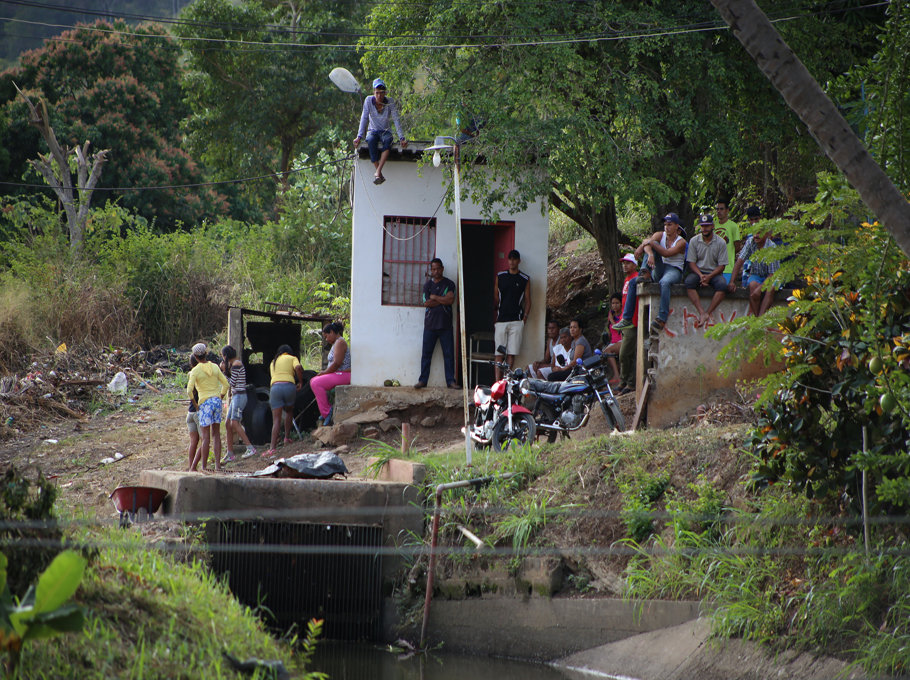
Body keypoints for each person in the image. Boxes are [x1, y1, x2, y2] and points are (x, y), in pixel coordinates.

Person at [614, 213, 687, 335]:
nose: (666, 227)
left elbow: (666, 253)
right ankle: (626, 318)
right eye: (665, 225)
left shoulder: (681, 242)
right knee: (633, 282)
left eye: (670, 225)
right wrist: (650, 253)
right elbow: (647, 244)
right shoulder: (660, 235)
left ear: (676, 227)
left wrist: (648, 243)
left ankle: (662, 318)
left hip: (674, 270)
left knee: (665, 282)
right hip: (660, 268)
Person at [353, 78, 408, 185]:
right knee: (371, 141)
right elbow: (364, 118)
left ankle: (378, 171)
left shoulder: (390, 102)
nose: (379, 96)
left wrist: (402, 137)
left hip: (385, 131)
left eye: (382, 93)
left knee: (388, 140)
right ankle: (379, 173)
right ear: (374, 92)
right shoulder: (369, 101)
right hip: (373, 131)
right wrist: (359, 136)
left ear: (385, 93)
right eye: (377, 93)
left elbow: (396, 119)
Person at [414, 259, 458, 389]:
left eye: (438, 269)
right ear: (431, 270)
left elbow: (451, 300)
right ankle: (423, 381)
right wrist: (443, 300)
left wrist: (435, 298)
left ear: (442, 268)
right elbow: (426, 303)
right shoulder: (427, 285)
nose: (436, 271)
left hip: (446, 326)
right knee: (426, 355)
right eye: (433, 269)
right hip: (430, 326)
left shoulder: (450, 284)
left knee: (449, 355)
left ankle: (451, 382)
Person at [186, 343, 229, 472]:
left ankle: (204, 467)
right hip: (216, 401)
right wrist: (219, 397)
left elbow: (189, 391)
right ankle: (217, 465)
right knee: (216, 435)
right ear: (206, 353)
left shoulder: (195, 370)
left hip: (204, 403)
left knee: (205, 437)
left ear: (195, 356)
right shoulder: (215, 367)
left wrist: (195, 404)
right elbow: (226, 384)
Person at [684, 213, 729, 328]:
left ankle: (707, 313)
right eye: (703, 226)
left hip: (714, 273)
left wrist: (709, 277)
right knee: (688, 283)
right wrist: (700, 275)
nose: (704, 229)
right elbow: (691, 263)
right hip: (698, 272)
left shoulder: (721, 242)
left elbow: (722, 265)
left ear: (713, 226)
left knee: (723, 286)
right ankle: (701, 312)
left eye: (707, 226)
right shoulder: (694, 241)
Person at [493, 249, 531, 380]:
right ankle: (497, 383)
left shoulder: (524, 279)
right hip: (501, 320)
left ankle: (506, 382)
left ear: (519, 261)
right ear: (507, 260)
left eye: (514, 259)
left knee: (511, 353)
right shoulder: (500, 276)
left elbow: (528, 301)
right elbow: (495, 296)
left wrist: (523, 320)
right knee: (499, 354)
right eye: (510, 259)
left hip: (516, 320)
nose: (512, 261)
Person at [729, 226, 781, 318]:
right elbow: (739, 261)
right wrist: (732, 282)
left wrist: (760, 288)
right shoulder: (750, 242)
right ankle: (757, 319)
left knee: (771, 288)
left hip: (771, 276)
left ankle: (760, 319)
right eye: (754, 233)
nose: (756, 236)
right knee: (752, 285)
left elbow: (772, 274)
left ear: (766, 234)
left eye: (759, 233)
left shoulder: (772, 248)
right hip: (756, 274)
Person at [220, 345, 258, 462]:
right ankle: (230, 453)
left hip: (240, 397)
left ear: (226, 356)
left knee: (234, 423)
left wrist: (223, 372)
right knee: (228, 423)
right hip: (236, 396)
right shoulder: (234, 364)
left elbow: (232, 383)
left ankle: (250, 448)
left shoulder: (236, 364)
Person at [310, 322, 351, 427]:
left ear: (332, 332)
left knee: (316, 383)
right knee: (314, 381)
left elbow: (337, 363)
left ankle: (327, 411)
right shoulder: (336, 343)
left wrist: (325, 372)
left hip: (343, 374)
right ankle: (326, 410)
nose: (326, 339)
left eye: (326, 336)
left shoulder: (340, 342)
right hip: (339, 373)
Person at [267, 344, 304, 457]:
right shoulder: (292, 358)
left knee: (276, 420)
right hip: (289, 386)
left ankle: (272, 448)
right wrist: (301, 382)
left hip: (276, 388)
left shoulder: (273, 361)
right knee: (289, 411)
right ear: (289, 352)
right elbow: (298, 367)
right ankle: (286, 438)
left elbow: (274, 377)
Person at [616, 254, 639, 395]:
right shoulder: (627, 279)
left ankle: (628, 382)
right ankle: (626, 383)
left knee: (624, 354)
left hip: (632, 323)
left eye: (628, 263)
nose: (625, 265)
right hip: (625, 323)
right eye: (624, 263)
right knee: (628, 355)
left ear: (635, 265)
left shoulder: (636, 279)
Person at [714, 200, 742, 284]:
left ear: (727, 210)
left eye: (721, 209)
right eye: (717, 209)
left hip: (728, 267)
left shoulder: (733, 226)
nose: (719, 211)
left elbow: (737, 247)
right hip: (713, 266)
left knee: (724, 287)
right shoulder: (713, 225)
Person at [185, 354, 200, 472]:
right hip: (197, 412)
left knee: (193, 442)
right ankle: (194, 467)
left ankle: (191, 467)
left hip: (190, 412)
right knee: (205, 441)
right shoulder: (199, 374)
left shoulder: (190, 374)